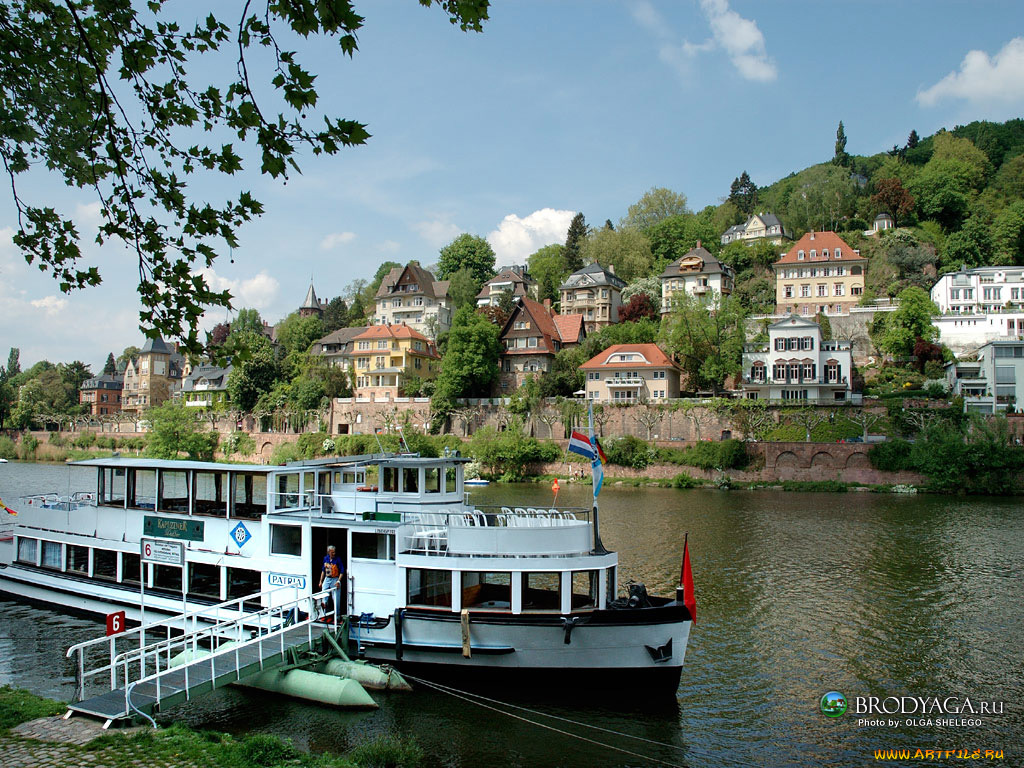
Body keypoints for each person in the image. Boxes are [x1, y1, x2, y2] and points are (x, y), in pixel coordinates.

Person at [318, 545, 343, 620]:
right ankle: (323, 614)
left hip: (335, 579)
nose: (334, 554)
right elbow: (323, 570)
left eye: (334, 552)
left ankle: (337, 616)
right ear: (329, 552)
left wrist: (338, 581)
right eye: (332, 552)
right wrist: (320, 581)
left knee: (336, 598)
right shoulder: (325, 558)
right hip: (327, 578)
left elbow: (342, 570)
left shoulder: (338, 559)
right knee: (324, 596)